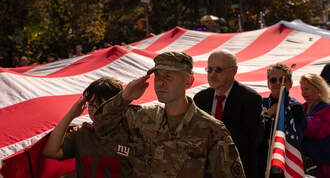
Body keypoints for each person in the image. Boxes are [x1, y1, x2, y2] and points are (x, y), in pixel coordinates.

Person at [94, 51, 245, 178]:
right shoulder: (142, 118)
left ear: (189, 81)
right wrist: (124, 97)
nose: (160, 82)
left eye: (168, 76)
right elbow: (101, 127)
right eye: (158, 76)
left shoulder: (212, 130)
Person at [43, 77, 133, 178]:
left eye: (100, 105)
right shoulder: (82, 133)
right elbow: (51, 152)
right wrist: (70, 115)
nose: (94, 110)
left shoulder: (133, 129)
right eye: (91, 105)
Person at [193, 49, 264, 178]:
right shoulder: (200, 99)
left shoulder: (250, 99)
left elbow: (252, 140)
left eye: (218, 70)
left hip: (238, 170)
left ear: (234, 71)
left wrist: (214, 126)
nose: (212, 75)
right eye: (209, 69)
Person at [259, 63, 305, 178]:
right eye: (273, 80)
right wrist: (269, 113)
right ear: (268, 84)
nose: (278, 83)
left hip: (285, 162)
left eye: (283, 80)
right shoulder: (259, 103)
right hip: (261, 161)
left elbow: (298, 137)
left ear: (290, 83)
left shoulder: (295, 107)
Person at [300, 73, 330, 178]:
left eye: (307, 89)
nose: (303, 93)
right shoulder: (301, 108)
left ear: (318, 89)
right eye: (302, 89)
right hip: (304, 164)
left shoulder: (327, 109)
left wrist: (298, 118)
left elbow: (315, 132)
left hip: (323, 166)